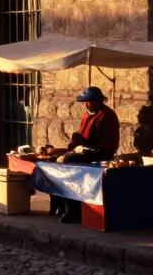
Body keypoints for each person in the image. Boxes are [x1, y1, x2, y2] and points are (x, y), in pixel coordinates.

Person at [38, 86, 121, 223]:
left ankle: (74, 209)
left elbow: (104, 142)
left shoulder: (107, 115)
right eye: (87, 102)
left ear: (97, 101)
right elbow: (83, 135)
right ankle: (59, 204)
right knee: (53, 162)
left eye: (90, 102)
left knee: (68, 162)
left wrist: (85, 144)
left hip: (100, 153)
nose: (87, 105)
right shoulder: (87, 114)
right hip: (86, 150)